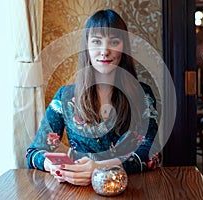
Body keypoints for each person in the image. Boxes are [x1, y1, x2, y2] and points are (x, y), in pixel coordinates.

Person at [26, 9, 160, 186]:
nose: (105, 51)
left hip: (131, 188)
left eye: (114, 41)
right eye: (97, 42)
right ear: (87, 47)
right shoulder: (65, 97)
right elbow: (34, 152)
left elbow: (152, 153)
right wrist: (53, 166)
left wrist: (99, 167)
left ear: (124, 47)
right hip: (79, 190)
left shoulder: (142, 94)